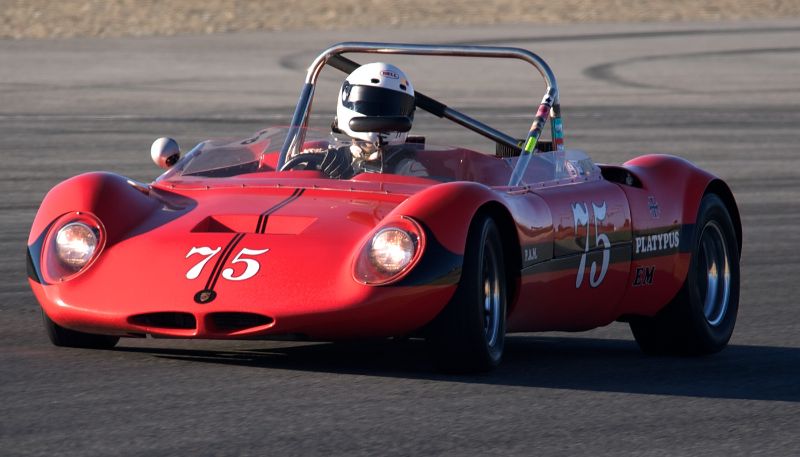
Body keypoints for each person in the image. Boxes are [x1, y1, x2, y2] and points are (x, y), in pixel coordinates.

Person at [320, 62, 427, 179]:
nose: (378, 119)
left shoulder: (407, 169)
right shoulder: (327, 159)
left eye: (389, 110)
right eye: (370, 106)